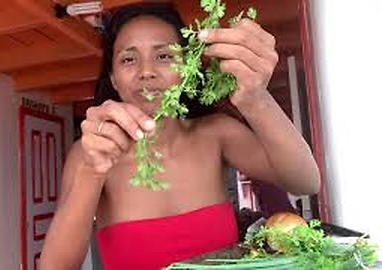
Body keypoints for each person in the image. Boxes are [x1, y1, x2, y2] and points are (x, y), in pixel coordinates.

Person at [40, 3, 320, 270]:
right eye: (128, 59)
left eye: (164, 56)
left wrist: (256, 98)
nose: (146, 72)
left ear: (187, 67)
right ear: (113, 78)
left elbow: (306, 180)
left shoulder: (216, 133)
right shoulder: (89, 153)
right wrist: (92, 170)